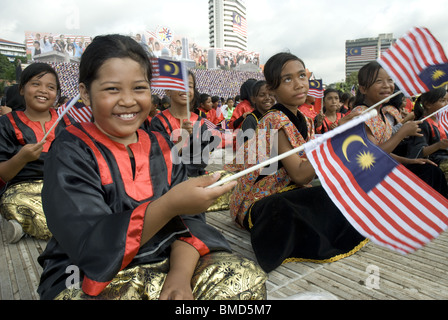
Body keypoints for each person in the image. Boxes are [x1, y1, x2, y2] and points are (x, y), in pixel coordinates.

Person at [37, 34, 267, 301]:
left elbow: (191, 223)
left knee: (243, 278)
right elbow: (89, 245)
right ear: (85, 94)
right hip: (89, 274)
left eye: (139, 88)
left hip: (166, 261)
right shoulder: (71, 148)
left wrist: (179, 279)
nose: (127, 100)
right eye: (112, 89)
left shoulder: (161, 145)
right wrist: (170, 204)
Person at [229, 52, 368, 273]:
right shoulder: (275, 120)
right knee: (286, 207)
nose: (298, 84)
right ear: (273, 89)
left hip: (289, 189)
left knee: (336, 190)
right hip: (259, 200)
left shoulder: (306, 120)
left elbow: (310, 167)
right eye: (287, 79)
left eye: (302, 76)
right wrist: (334, 141)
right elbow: (302, 174)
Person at [0, 63, 76, 243]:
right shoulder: (6, 123)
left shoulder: (66, 121)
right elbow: (3, 174)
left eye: (51, 87)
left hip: (61, 188)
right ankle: (68, 229)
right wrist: (22, 158)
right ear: (21, 89)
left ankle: (24, 226)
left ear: (56, 95)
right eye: (36, 84)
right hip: (24, 190)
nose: (43, 90)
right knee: (12, 202)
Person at [352, 61, 448, 198]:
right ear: (363, 89)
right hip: (369, 178)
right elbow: (373, 154)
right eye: (379, 81)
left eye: (389, 80)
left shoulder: (381, 114)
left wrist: (410, 161)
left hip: (383, 169)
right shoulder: (361, 114)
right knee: (430, 173)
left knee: (431, 171)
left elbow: (385, 152)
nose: (386, 85)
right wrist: (402, 132)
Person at [149, 71, 219, 177]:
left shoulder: (199, 121)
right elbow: (160, 160)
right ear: (168, 91)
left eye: (189, 86)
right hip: (167, 182)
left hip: (194, 178)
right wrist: (182, 139)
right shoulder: (158, 122)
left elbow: (202, 159)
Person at [407, 87, 448, 180]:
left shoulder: (441, 122)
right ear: (428, 104)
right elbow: (417, 152)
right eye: (443, 101)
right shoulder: (422, 124)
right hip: (436, 162)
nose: (446, 104)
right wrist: (438, 145)